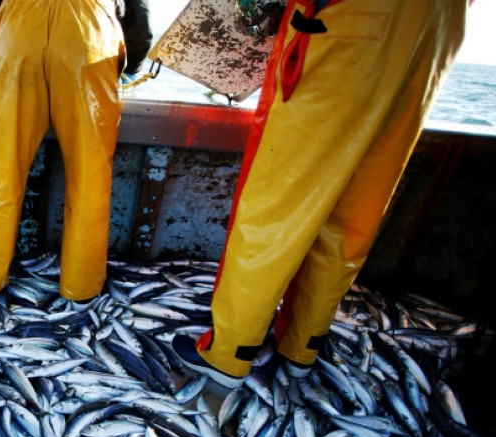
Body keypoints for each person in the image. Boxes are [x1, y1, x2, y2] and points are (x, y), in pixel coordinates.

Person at [171, 0, 467, 388]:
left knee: (275, 207)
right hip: (435, 37)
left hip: (351, 29)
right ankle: (302, 345)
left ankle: (229, 353)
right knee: (352, 213)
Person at [0, 0, 152, 304]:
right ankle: (81, 291)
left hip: (18, 36)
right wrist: (129, 69)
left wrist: (2, 53)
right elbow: (139, 17)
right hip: (89, 43)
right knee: (89, 179)